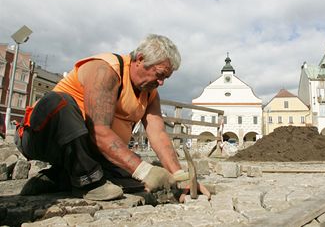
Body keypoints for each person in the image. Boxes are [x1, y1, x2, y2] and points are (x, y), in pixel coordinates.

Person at [15, 34, 199, 201]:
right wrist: (145, 170)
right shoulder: (106, 70)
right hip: (41, 137)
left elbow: (158, 134)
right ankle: (87, 182)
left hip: (85, 152)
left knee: (129, 176)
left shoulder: (150, 93)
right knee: (60, 101)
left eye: (166, 78)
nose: (161, 82)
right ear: (140, 59)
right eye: (159, 75)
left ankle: (58, 178)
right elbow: (99, 131)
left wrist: (180, 177)